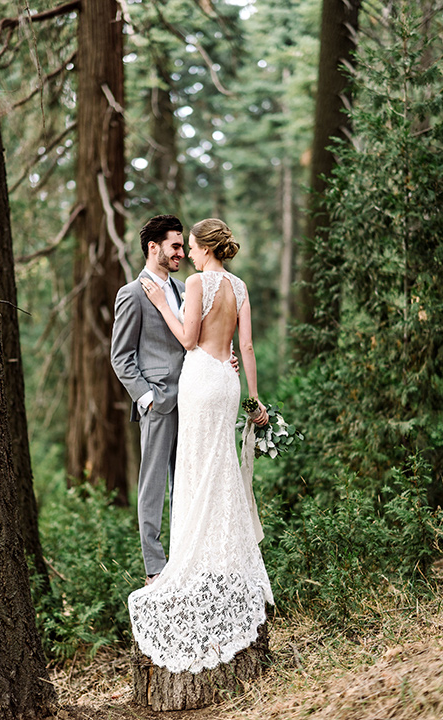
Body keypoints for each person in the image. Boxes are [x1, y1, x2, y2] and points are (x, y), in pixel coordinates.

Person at [128, 217, 274, 674]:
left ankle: (193, 559)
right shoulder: (241, 286)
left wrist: (160, 302)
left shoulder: (194, 283)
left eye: (189, 246)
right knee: (221, 467)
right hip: (227, 382)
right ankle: (227, 560)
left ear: (204, 249)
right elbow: (245, 346)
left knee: (195, 472)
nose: (186, 253)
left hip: (197, 383)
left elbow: (188, 338)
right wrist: (254, 399)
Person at [110, 215, 186, 585]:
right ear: (153, 247)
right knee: (153, 485)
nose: (181, 253)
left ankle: (184, 555)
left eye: (183, 246)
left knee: (185, 483)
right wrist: (146, 398)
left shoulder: (186, 289)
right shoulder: (132, 294)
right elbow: (121, 356)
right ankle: (155, 568)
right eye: (175, 245)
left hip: (191, 401)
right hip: (158, 403)